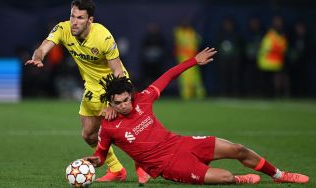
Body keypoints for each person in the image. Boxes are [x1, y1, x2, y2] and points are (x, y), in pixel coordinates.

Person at [85, 47, 309, 185]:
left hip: (181, 143)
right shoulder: (110, 126)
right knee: (226, 178)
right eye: (118, 102)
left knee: (238, 149)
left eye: (126, 99)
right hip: (170, 166)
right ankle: (238, 180)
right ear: (110, 103)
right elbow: (101, 155)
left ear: (130, 95)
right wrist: (92, 162)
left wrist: (193, 61)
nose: (124, 105)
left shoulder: (142, 99)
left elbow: (168, 76)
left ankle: (279, 175)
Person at [25, 0, 149, 183]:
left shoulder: (103, 37)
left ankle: (144, 165)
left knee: (126, 130)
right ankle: (117, 170)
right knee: (89, 134)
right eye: (72, 16)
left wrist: (114, 101)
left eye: (80, 18)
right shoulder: (63, 29)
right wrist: (38, 57)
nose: (74, 22)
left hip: (114, 85)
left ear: (90, 20)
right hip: (92, 86)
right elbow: (44, 46)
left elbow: (118, 71)